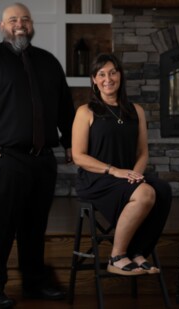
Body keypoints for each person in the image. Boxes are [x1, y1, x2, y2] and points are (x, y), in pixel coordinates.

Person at [0, 3, 74, 308]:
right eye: (13, 20)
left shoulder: (48, 62)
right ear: (2, 25)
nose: (19, 24)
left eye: (24, 19)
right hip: (3, 160)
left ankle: (35, 283)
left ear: (32, 25)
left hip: (42, 160)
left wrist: (71, 142)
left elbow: (64, 107)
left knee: (34, 229)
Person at [72, 53, 172, 277]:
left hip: (127, 176)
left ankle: (138, 252)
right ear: (94, 80)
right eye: (101, 74)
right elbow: (79, 156)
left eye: (113, 72)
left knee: (164, 190)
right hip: (97, 178)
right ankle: (116, 257)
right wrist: (114, 171)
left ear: (120, 76)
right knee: (146, 193)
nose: (108, 78)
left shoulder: (135, 110)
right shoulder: (86, 111)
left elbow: (142, 152)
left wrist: (134, 175)